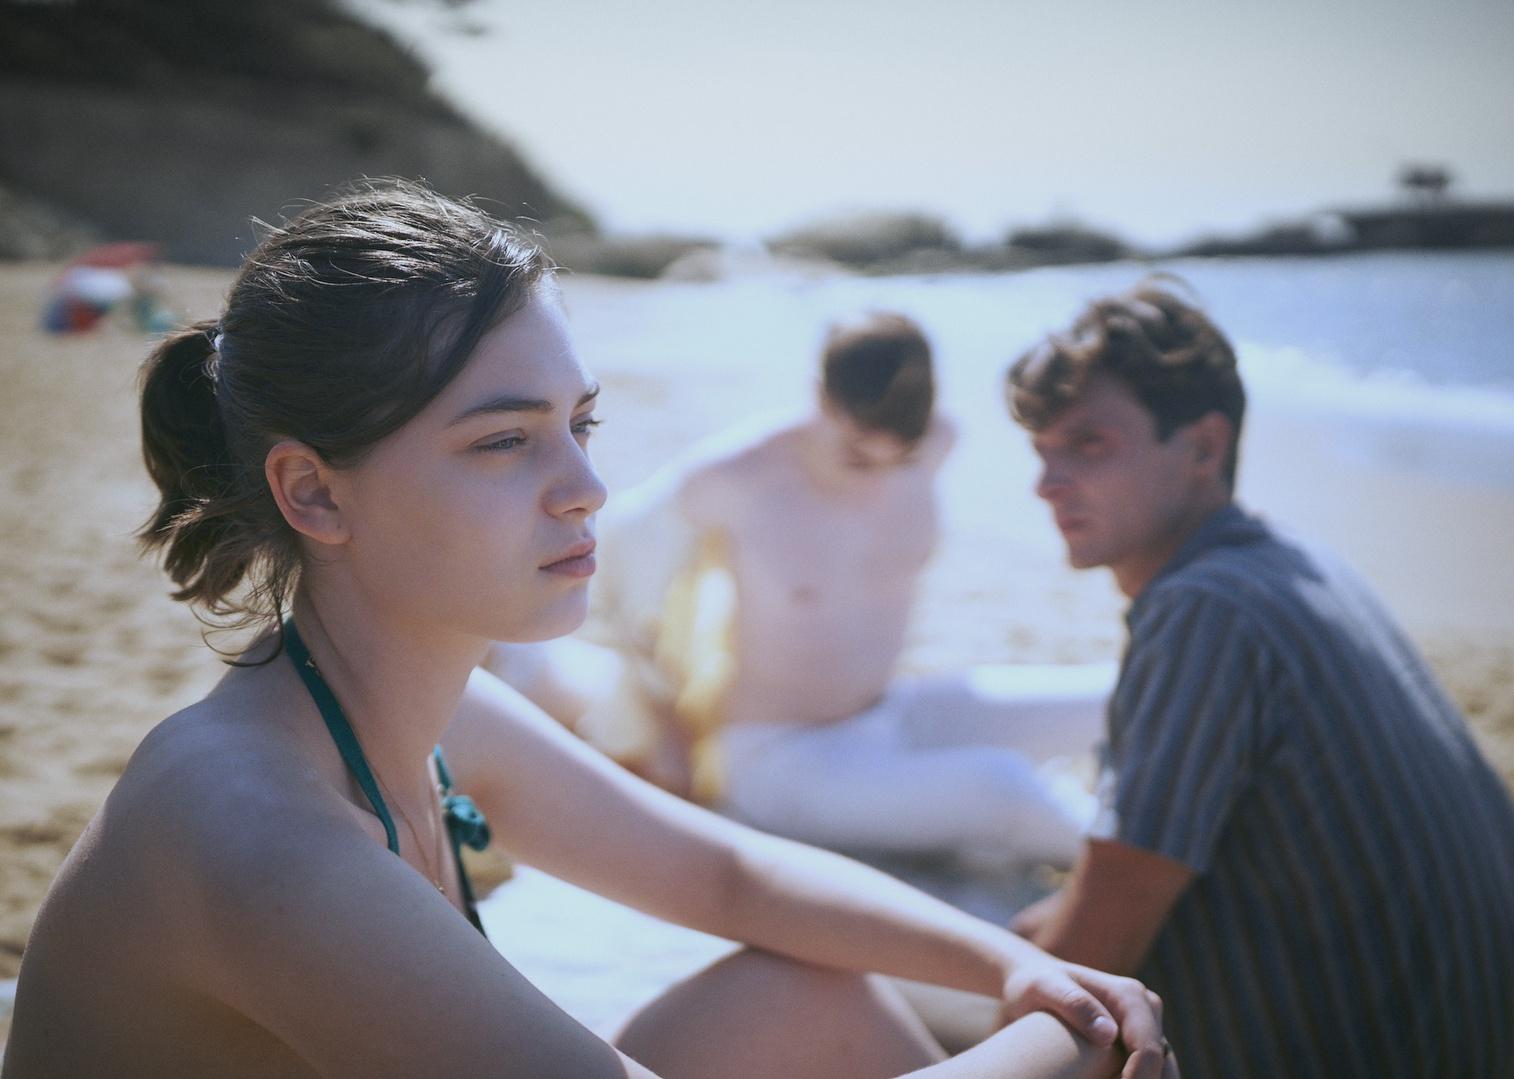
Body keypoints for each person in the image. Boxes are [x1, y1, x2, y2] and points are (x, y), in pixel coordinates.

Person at [2, 180, 1175, 1078]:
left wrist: (1018, 964)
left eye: (580, 421)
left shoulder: (415, 701)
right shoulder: (255, 829)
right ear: (314, 493)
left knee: (808, 996)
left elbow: (722, 869)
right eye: (503, 440)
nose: (585, 487)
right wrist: (1074, 1032)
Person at [1003, 278, 1514, 1079]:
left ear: (1204, 446)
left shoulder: (1204, 611)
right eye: (1042, 449)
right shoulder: (1293, 562)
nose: (1046, 480)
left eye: (1088, 443)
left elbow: (1094, 951)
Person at [491, 312, 1113, 872]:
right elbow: (614, 581)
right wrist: (663, 725)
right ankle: (1158, 874)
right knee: (1002, 789)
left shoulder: (934, 442)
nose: (877, 468)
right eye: (856, 453)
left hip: (894, 710)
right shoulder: (737, 476)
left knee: (1118, 696)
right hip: (782, 757)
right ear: (819, 398)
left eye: (896, 459)